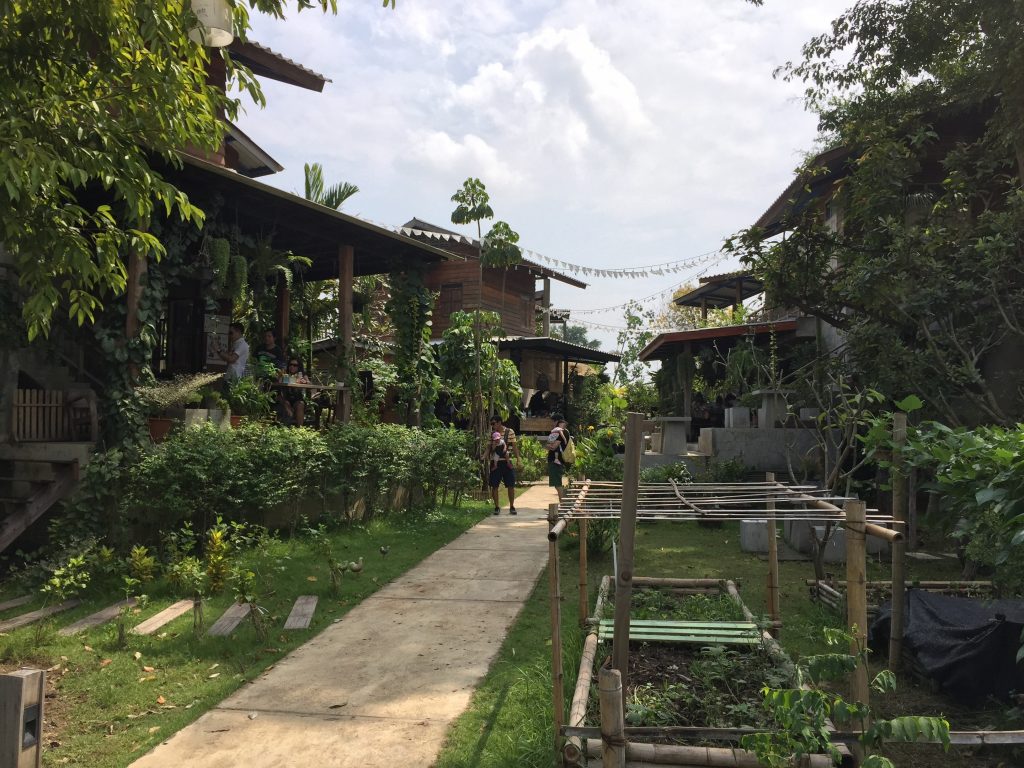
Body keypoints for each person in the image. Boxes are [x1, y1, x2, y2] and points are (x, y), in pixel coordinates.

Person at [487, 414, 520, 514]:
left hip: (507, 461)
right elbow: (488, 448)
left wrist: (518, 458)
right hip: (495, 461)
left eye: (493, 423)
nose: (492, 426)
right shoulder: (492, 434)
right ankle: (497, 507)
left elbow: (514, 446)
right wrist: (484, 456)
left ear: (499, 422)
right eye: (491, 424)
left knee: (510, 484)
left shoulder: (509, 432)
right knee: (494, 485)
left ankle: (512, 506)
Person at [547, 413, 570, 502]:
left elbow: (553, 447)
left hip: (556, 461)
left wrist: (548, 445)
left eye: (553, 421)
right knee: (557, 483)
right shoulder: (565, 431)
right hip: (559, 460)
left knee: (557, 483)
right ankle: (563, 502)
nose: (552, 424)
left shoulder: (560, 431)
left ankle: (563, 504)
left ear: (557, 421)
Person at [280, 357, 309, 426]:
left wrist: (305, 382)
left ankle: (300, 430)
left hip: (297, 400)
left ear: (299, 367)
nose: (292, 367)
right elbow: (279, 382)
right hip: (286, 400)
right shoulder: (285, 374)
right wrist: (281, 377)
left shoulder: (301, 375)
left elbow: (309, 384)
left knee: (300, 404)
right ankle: (287, 427)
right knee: (284, 402)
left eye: (295, 365)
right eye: (291, 364)